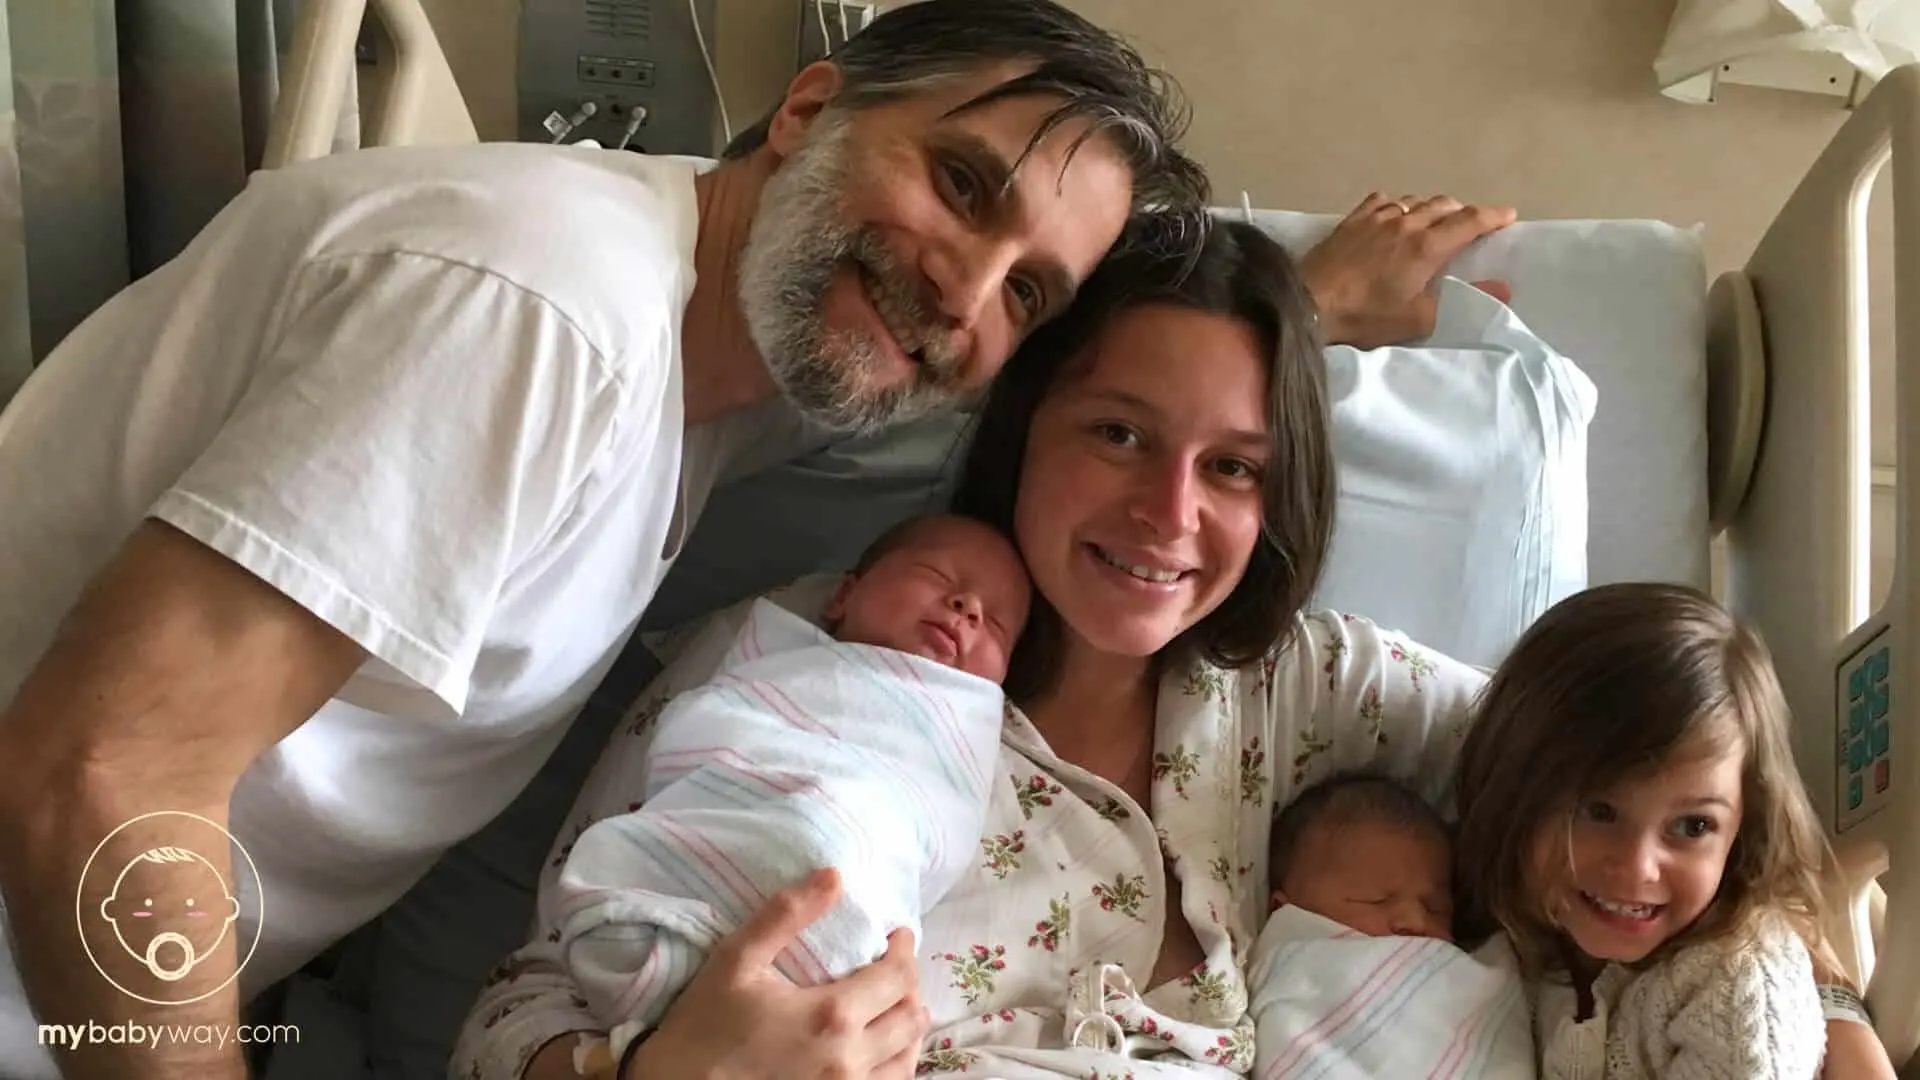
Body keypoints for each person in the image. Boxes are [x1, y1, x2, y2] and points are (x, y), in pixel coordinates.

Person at [0, 3, 1228, 1074]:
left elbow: (1147, 398)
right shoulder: (544, 311)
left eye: (1026, 292)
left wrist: (1292, 316)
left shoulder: (743, 370)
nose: (965, 296)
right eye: (962, 187)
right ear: (809, 109)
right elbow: (103, 777)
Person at [488, 215, 1508, 1080]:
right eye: (1119, 434)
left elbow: (1605, 770)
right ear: (1025, 427)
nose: (1169, 514)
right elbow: (512, 1014)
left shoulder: (1303, 689)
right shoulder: (820, 653)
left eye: (1235, 468)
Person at [451, 513, 1031, 1079]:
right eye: (937, 574)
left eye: (998, 625)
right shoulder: (774, 661)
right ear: (843, 596)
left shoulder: (971, 742)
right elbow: (518, 1007)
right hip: (707, 904)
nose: (969, 609)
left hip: (843, 954)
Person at [1452, 583, 1847, 1080]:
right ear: (1513, 793)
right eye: (1597, 811)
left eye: (1693, 826)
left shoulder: (1737, 986)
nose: (1638, 866)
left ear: (1745, 829)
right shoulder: (1500, 923)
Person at [1245, 773, 1534, 1080]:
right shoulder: (1296, 961)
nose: (1416, 921)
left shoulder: (1473, 975)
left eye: (1435, 908)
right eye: (1376, 900)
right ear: (1284, 911)